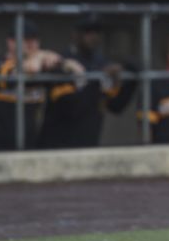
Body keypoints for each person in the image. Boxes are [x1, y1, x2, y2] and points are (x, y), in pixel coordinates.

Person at [0, 22, 85, 152]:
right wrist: (42, 55)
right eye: (25, 40)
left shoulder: (42, 68)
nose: (31, 44)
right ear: (11, 42)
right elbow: (30, 69)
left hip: (26, 148)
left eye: (34, 40)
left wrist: (63, 62)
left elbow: (77, 72)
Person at [38, 15, 136, 149]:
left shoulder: (101, 62)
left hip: (88, 144)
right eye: (88, 32)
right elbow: (70, 109)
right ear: (75, 34)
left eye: (97, 32)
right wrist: (97, 78)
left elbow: (114, 106)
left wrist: (132, 79)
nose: (94, 36)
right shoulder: (63, 62)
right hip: (57, 146)